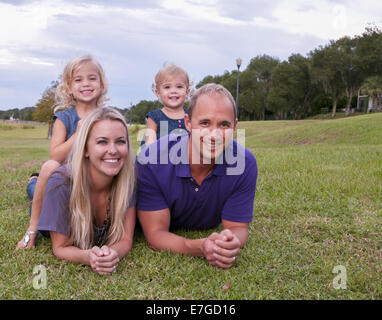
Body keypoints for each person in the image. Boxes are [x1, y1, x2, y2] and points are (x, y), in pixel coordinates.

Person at [136, 83, 258, 269]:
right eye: (205, 123)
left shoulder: (244, 163)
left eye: (224, 125)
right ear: (187, 122)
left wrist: (229, 242)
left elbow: (237, 228)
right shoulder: (151, 160)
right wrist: (197, 247)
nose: (214, 134)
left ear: (234, 126)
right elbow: (156, 234)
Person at [17, 55, 108, 249]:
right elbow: (55, 156)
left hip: (94, 180)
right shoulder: (64, 118)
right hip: (65, 179)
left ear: (101, 84)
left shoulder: (106, 117)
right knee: (47, 170)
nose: (86, 83)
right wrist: (78, 134)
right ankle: (32, 229)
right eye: (78, 79)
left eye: (92, 78)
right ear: (69, 88)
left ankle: (36, 181)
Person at [36, 107, 136, 275]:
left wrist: (111, 254)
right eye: (102, 142)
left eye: (120, 141)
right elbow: (60, 248)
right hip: (55, 193)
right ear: (86, 149)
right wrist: (88, 257)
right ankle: (34, 180)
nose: (113, 150)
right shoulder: (62, 183)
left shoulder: (129, 180)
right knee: (38, 189)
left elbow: (126, 239)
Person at [142, 63, 191, 146]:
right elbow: (149, 145)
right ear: (158, 93)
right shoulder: (154, 117)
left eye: (179, 87)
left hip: (187, 158)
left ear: (187, 92)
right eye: (167, 87)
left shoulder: (191, 115)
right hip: (160, 157)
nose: (173, 91)